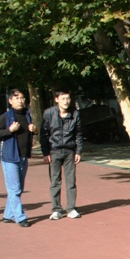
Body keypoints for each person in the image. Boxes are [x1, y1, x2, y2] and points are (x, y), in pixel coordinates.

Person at [0, 89, 38, 227]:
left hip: (23, 156)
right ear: (10, 101)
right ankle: (20, 217)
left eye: (22, 98)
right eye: (17, 98)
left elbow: (29, 133)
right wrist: (9, 130)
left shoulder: (27, 115)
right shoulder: (6, 117)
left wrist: (34, 131)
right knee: (14, 189)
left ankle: (8, 215)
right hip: (9, 157)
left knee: (18, 188)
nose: (20, 101)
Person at [40, 90, 83, 220]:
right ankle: (56, 209)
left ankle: (71, 209)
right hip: (54, 151)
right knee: (55, 181)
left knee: (71, 181)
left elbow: (78, 134)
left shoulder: (75, 114)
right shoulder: (49, 113)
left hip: (70, 151)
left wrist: (78, 151)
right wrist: (45, 153)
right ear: (56, 99)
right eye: (63, 98)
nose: (66, 101)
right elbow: (44, 134)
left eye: (68, 98)